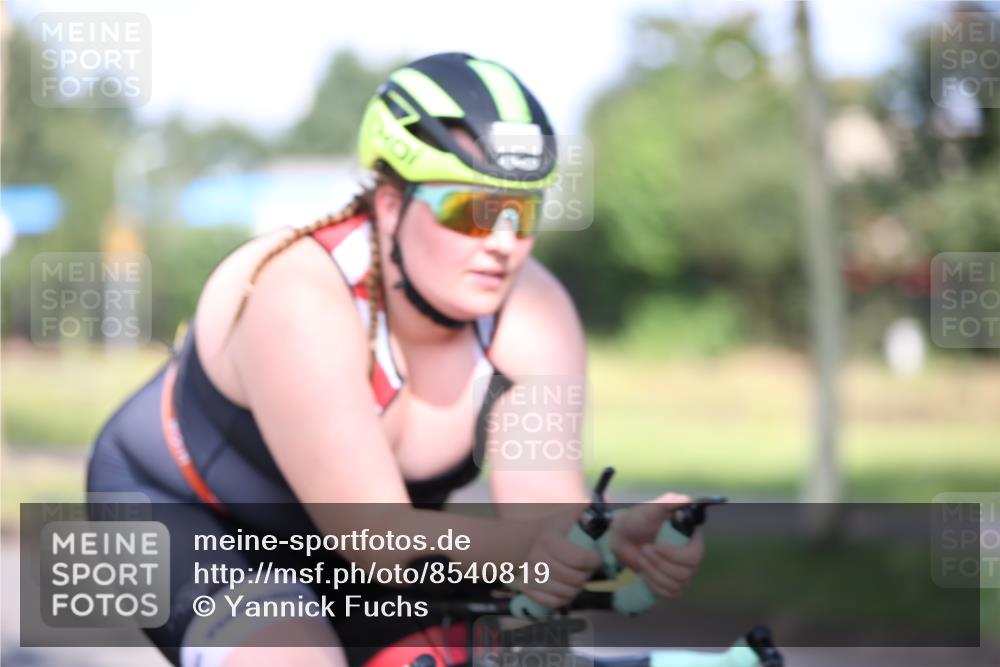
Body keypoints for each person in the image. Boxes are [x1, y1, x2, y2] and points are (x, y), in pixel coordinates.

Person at [86, 52, 704, 667]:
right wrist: (533, 550)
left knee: (528, 655)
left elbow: (543, 521)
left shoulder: (534, 311)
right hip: (183, 517)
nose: (503, 243)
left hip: (372, 549)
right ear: (389, 204)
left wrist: (612, 543)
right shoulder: (300, 294)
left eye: (524, 211)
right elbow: (375, 537)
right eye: (471, 210)